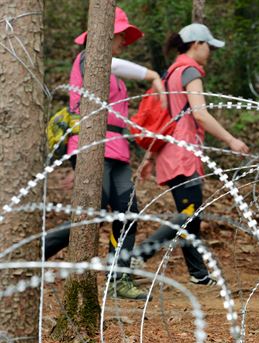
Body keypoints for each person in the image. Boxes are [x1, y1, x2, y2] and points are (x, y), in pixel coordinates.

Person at [45, 7, 166, 300]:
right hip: (91, 145)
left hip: (118, 150)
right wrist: (152, 75)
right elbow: (116, 66)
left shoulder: (116, 74)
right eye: (121, 36)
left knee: (128, 212)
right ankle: (31, 254)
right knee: (93, 212)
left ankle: (119, 278)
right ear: (106, 35)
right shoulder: (89, 59)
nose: (124, 41)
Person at [136, 23, 249, 285]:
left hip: (170, 151)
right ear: (197, 44)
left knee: (191, 216)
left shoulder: (169, 74)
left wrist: (150, 158)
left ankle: (198, 275)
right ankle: (140, 255)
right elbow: (199, 113)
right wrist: (231, 139)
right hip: (182, 153)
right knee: (189, 213)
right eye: (208, 45)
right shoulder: (189, 73)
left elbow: (163, 119)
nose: (210, 51)